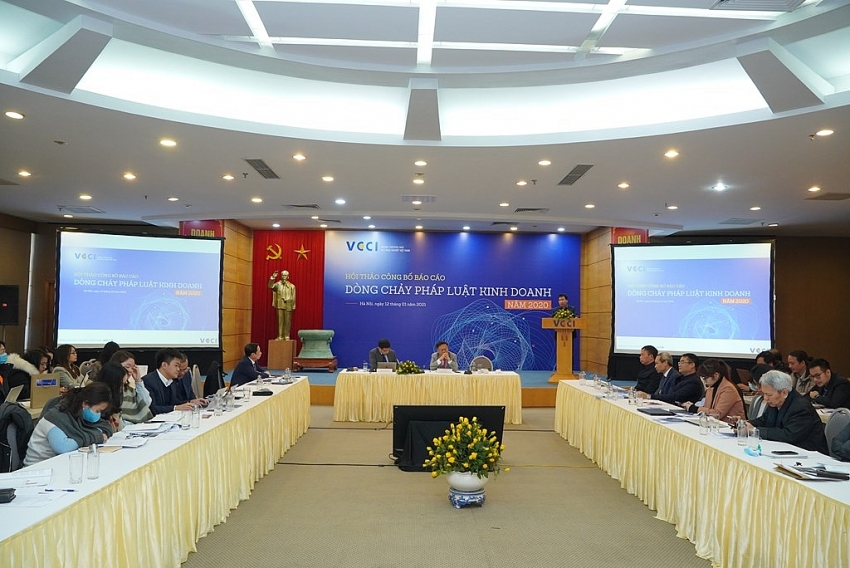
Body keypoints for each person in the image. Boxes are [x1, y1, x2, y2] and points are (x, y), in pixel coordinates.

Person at [23, 382, 114, 466]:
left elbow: (105, 426)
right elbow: (63, 447)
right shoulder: (56, 417)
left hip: (59, 465)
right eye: (97, 411)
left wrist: (96, 434)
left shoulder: (79, 414)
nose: (98, 415)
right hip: (37, 468)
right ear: (85, 404)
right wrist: (97, 436)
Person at [742, 370, 828, 454]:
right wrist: (745, 424)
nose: (765, 398)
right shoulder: (776, 402)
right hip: (784, 450)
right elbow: (763, 420)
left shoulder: (801, 407)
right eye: (764, 394)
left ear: (784, 393)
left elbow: (788, 435)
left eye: (769, 395)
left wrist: (754, 430)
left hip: (809, 454)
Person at [142, 348, 207, 416]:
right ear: (164, 365)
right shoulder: (148, 382)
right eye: (176, 366)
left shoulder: (172, 380)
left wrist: (190, 402)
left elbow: (174, 402)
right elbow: (152, 409)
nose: (178, 369)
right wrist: (175, 408)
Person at [108, 351, 154, 424]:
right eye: (127, 367)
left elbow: (146, 402)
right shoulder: (108, 390)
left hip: (141, 426)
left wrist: (138, 381)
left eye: (132, 368)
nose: (130, 370)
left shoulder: (128, 389)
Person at [269, 270, 296, 340]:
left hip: (288, 305)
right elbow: (270, 286)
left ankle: (286, 335)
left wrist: (292, 304)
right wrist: (273, 278)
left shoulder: (292, 286)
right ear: (281, 276)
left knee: (287, 322)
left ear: (288, 277)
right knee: (280, 322)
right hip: (280, 305)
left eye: (285, 275)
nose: (284, 277)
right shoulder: (278, 284)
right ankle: (280, 336)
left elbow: (293, 297)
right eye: (283, 275)